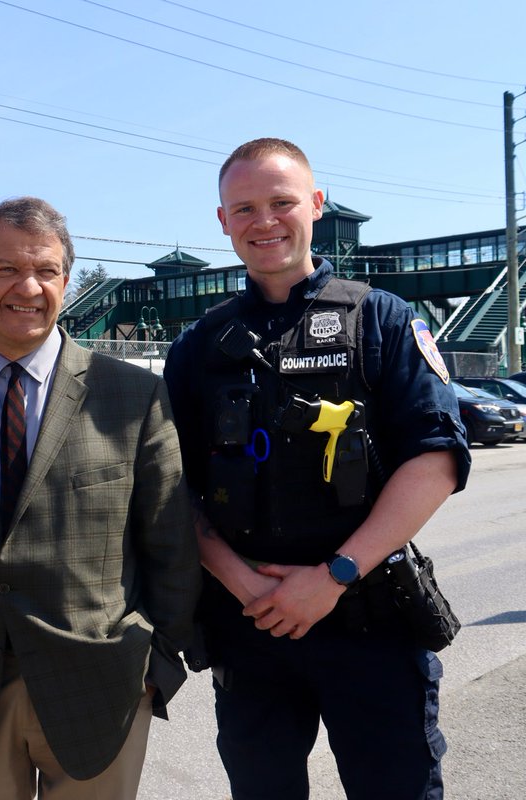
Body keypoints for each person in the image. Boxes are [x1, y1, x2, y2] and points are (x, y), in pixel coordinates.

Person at [163, 138, 470, 800]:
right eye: (244, 208)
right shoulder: (196, 349)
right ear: (222, 221)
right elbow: (169, 489)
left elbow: (437, 460)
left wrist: (333, 576)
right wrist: (242, 582)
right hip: (250, 627)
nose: (264, 221)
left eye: (282, 202)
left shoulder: (382, 320)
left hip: (371, 620)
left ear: (317, 206)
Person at [0, 196, 201, 799]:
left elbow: (171, 546)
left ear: (65, 280)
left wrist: (155, 668)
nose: (27, 286)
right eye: (6, 269)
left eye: (46, 270)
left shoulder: (133, 397)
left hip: (99, 693)